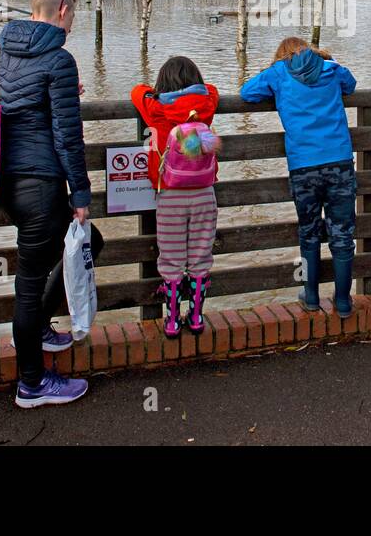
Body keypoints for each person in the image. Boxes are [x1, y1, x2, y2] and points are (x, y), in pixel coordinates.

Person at [0, 0, 91, 408]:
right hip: (42, 185)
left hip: (4, 182)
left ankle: (40, 330)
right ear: (63, 10)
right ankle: (32, 383)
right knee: (29, 286)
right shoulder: (59, 60)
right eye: (75, 14)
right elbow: (68, 136)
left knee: (78, 250)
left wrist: (62, 96)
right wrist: (81, 193)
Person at [241, 37, 358, 317]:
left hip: (304, 167)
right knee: (342, 234)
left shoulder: (278, 73)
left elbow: (247, 93)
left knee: (309, 232)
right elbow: (351, 85)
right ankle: (343, 302)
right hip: (339, 162)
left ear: (282, 55)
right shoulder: (330, 68)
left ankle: (312, 296)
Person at [130, 57, 220, 338]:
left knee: (170, 258)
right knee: (201, 254)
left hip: (169, 194)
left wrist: (154, 92)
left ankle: (171, 321)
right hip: (205, 192)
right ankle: (195, 316)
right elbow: (212, 89)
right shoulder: (206, 105)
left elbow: (136, 91)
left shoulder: (156, 108)